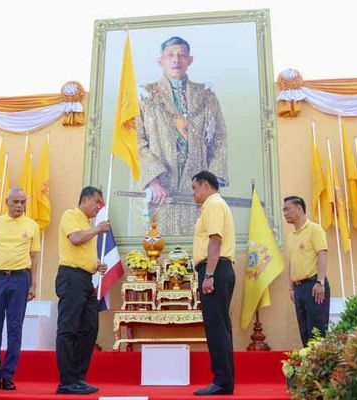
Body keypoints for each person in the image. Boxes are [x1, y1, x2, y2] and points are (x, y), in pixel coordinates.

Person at [133, 36, 229, 236]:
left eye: (181, 55)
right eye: (170, 55)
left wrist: (210, 185)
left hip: (196, 188)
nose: (176, 60)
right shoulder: (146, 96)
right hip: (161, 188)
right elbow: (136, 141)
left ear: (190, 60)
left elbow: (219, 137)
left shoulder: (206, 95)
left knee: (200, 246)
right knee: (157, 250)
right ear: (160, 61)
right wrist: (153, 182)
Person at [0, 188, 40, 390]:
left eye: (23, 202)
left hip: (20, 278)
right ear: (7, 202)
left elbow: (35, 256)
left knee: (15, 329)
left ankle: (9, 375)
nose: (20, 206)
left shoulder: (31, 225)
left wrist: (34, 284)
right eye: (16, 202)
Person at [55, 186, 109, 395]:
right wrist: (97, 229)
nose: (99, 207)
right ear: (85, 199)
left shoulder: (87, 224)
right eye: (97, 202)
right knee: (68, 329)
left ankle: (78, 377)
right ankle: (67, 380)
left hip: (86, 278)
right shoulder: (71, 215)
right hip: (70, 277)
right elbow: (75, 239)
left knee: (89, 328)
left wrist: (96, 264)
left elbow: (82, 249)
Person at [191, 171, 235, 396]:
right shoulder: (212, 205)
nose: (193, 193)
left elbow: (215, 239)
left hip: (215, 269)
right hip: (217, 268)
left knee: (216, 328)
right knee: (219, 327)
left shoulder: (214, 204)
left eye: (195, 188)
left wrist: (209, 275)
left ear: (206, 185)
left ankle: (221, 381)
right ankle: (224, 381)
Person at [283, 195, 330, 348]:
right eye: (284, 210)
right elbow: (291, 262)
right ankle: (309, 368)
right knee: (304, 333)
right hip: (299, 289)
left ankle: (321, 369)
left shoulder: (314, 229)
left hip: (314, 285)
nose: (285, 213)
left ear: (299, 209)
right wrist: (291, 288)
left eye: (287, 209)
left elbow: (322, 254)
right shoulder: (290, 236)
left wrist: (320, 282)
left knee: (317, 333)